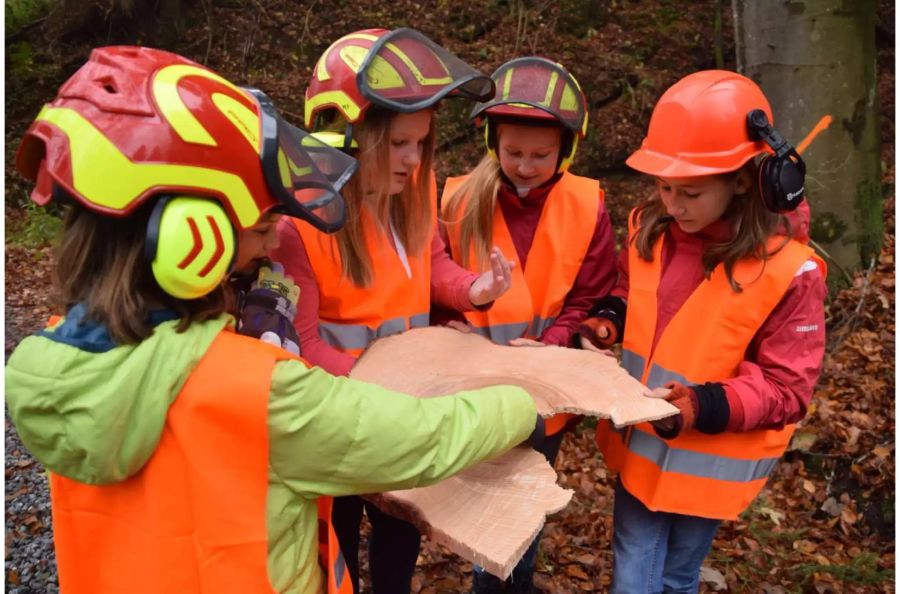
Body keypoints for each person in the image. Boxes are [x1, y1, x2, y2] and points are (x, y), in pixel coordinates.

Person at [4, 46, 544, 594]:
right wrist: (520, 405)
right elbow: (420, 440)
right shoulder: (252, 390)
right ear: (192, 239)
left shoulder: (53, 369)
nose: (272, 243)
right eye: (262, 226)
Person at [270, 28, 519, 594]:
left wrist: (475, 289)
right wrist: (385, 388)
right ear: (349, 138)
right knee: (334, 553)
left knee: (397, 548)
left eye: (421, 143)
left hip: (400, 416)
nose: (414, 159)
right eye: (399, 144)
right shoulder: (299, 229)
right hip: (337, 422)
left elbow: (432, 270)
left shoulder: (413, 192)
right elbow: (301, 346)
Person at [576, 70, 827, 594]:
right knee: (634, 570)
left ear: (743, 179)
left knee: (676, 577)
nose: (672, 203)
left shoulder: (787, 271)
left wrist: (699, 406)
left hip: (708, 460)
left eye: (689, 191)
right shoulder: (653, 229)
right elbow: (632, 292)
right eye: (663, 186)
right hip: (642, 448)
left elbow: (787, 389)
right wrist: (608, 321)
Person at [437, 57, 617, 593]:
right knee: (487, 505)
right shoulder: (456, 198)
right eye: (513, 152)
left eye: (540, 155)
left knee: (527, 502)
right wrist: (453, 330)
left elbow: (594, 292)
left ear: (567, 148)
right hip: (475, 387)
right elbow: (435, 285)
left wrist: (554, 342)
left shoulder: (588, 204)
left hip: (545, 392)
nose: (525, 165)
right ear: (493, 143)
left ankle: (517, 582)